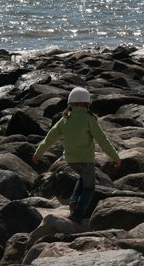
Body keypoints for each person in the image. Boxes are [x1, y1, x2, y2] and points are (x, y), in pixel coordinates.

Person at [33, 86, 121, 225]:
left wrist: (38, 153)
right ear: (87, 103)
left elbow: (50, 138)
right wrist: (115, 157)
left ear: (70, 103)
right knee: (89, 188)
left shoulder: (65, 119)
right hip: (86, 160)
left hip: (71, 160)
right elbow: (103, 140)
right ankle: (77, 215)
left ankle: (73, 200)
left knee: (83, 178)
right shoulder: (89, 119)